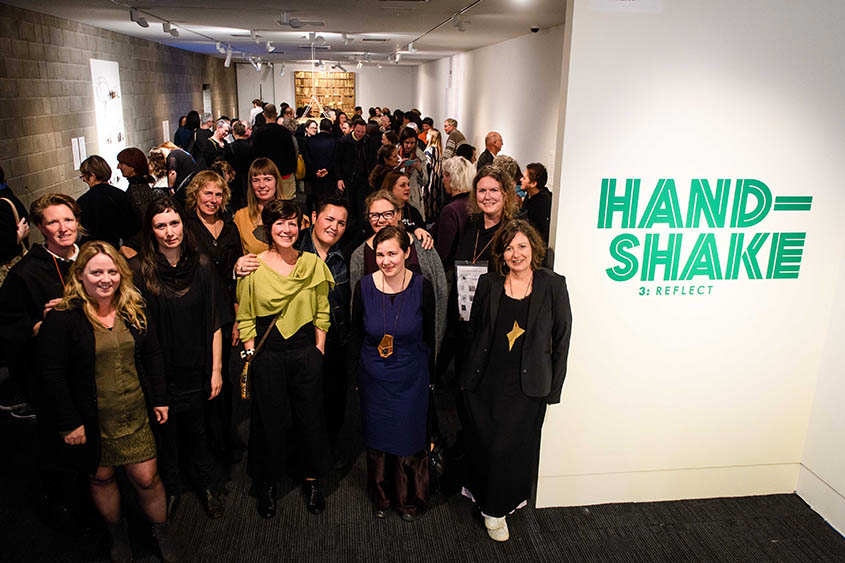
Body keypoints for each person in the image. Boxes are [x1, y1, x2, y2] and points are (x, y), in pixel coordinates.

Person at [36, 241, 178, 562]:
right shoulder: (64, 317)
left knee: (147, 479)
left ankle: (163, 533)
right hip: (92, 420)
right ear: (80, 275)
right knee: (102, 478)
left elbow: (153, 354)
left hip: (135, 412)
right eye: (96, 272)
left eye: (112, 271)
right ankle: (117, 535)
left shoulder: (133, 307)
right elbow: (51, 375)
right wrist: (69, 422)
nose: (106, 279)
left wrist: (160, 398)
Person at [462, 219, 572, 542]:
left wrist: (554, 389)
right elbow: (475, 331)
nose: (516, 254)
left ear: (534, 248)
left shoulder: (553, 285)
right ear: (501, 253)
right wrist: (467, 376)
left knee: (511, 449)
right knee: (486, 445)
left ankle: (497, 509)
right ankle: (486, 499)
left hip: (529, 387)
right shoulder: (490, 283)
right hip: (487, 382)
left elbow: (562, 339)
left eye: (522, 246)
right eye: (509, 248)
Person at [131, 197, 230, 520]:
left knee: (199, 429)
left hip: (197, 365)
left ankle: (206, 485)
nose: (169, 232)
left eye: (174, 223)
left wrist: (216, 370)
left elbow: (215, 321)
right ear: (151, 230)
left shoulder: (201, 265)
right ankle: (172, 486)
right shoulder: (139, 270)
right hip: (159, 369)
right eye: (161, 226)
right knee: (166, 432)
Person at [236, 200, 334, 518]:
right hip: (268, 353)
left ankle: (311, 479)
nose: (287, 229)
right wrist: (251, 353)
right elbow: (246, 316)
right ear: (268, 228)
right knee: (268, 421)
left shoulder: (312, 264)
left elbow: (322, 311)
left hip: (305, 349)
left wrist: (318, 350)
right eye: (279, 223)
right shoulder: (252, 267)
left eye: (292, 222)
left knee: (310, 417)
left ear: (301, 226)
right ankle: (266, 482)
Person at [349, 225, 435, 521]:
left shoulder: (422, 286)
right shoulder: (364, 287)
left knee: (409, 435)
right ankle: (382, 495)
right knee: (378, 436)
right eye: (380, 254)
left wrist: (431, 377)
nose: (385, 261)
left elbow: (429, 336)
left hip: (412, 376)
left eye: (392, 254)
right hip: (374, 377)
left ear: (407, 253)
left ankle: (410, 497)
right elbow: (356, 334)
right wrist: (354, 377)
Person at [296, 198, 357, 463]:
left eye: (341, 223)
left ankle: (328, 452)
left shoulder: (346, 254)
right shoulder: (293, 247)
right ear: (313, 217)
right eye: (329, 219)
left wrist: (416, 232)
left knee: (333, 399)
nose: (334, 227)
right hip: (300, 341)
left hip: (336, 339)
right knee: (301, 402)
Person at [350, 190, 445, 356]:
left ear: (399, 214)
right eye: (374, 215)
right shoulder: (359, 255)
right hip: (376, 350)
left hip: (416, 347)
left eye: (387, 214)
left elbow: (440, 295)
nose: (381, 220)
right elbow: (356, 311)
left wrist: (434, 351)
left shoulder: (423, 245)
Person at [77, 155, 138, 248]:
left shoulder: (83, 201)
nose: (84, 180)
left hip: (92, 250)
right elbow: (131, 227)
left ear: (92, 176)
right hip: (118, 248)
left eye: (83, 176)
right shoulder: (122, 195)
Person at [433, 156, 475, 277]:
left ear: (451, 177)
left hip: (452, 273)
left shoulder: (451, 210)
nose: (443, 181)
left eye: (444, 176)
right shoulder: (476, 204)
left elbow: (443, 252)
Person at [233, 158, 284, 255]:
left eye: (267, 179)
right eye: (256, 180)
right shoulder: (241, 217)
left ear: (276, 181)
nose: (261, 185)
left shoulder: (292, 214)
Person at [251, 104, 297, 200]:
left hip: (265, 174)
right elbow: (291, 154)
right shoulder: (284, 131)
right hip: (284, 173)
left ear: (264, 115)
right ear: (276, 114)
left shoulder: (258, 133)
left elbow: (255, 154)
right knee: (285, 201)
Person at [116, 147, 156, 233]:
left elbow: (144, 219)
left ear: (132, 166)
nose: (118, 167)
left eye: (121, 163)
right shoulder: (139, 185)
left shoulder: (137, 190)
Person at [302, 118, 338, 212]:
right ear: (330, 129)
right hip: (330, 176)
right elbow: (335, 159)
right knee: (329, 200)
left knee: (317, 200)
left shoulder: (310, 141)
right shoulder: (335, 141)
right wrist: (327, 169)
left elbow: (307, 159)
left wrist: (316, 171)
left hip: (315, 175)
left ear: (319, 127)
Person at [397, 127, 428, 221]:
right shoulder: (395, 154)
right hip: (397, 196)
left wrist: (420, 170)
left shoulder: (420, 156)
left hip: (413, 196)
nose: (409, 146)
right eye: (407, 142)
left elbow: (424, 182)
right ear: (402, 142)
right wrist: (399, 167)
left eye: (412, 143)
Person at [222, 120, 254, 210]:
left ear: (233, 132)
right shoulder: (250, 147)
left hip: (233, 178)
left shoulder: (228, 148)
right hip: (247, 177)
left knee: (235, 203)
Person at [521, 163, 553, 244]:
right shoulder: (529, 195)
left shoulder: (544, 204)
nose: (521, 180)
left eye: (524, 178)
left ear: (533, 184)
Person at [423, 129, 444, 222]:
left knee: (428, 204)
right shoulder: (439, 150)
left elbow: (426, 165)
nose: (426, 135)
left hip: (429, 181)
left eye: (428, 134)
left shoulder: (429, 150)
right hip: (437, 181)